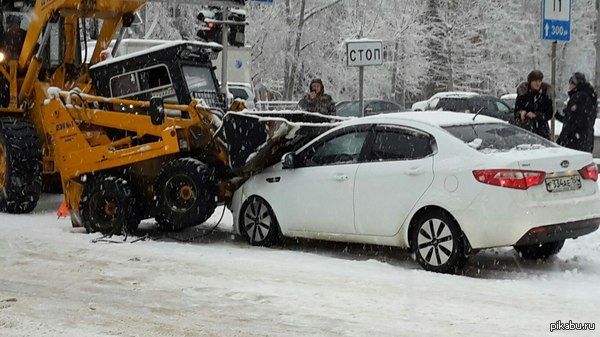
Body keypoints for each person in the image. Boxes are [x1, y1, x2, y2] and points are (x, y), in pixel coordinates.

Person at [556, 72, 597, 153]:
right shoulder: (591, 97)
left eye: (571, 83)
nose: (569, 86)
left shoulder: (578, 97)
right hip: (587, 139)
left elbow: (572, 121)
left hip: (574, 141)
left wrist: (561, 140)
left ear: (575, 84)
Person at [514, 70, 553, 139]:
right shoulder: (523, 94)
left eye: (539, 81)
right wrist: (521, 113)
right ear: (530, 81)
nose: (537, 83)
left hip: (541, 131)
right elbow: (516, 111)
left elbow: (549, 114)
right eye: (535, 81)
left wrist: (536, 115)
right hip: (524, 130)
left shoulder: (545, 95)